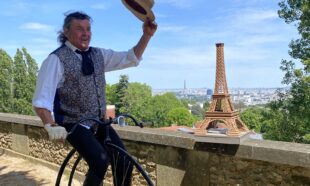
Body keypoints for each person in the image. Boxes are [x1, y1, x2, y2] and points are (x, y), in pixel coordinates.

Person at [32, 11, 157, 186]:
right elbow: (41, 100)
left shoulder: (99, 55)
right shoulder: (55, 60)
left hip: (99, 122)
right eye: (79, 29)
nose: (86, 33)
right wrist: (50, 125)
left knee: (124, 161)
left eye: (88, 29)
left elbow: (131, 58)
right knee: (99, 161)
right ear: (66, 32)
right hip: (73, 123)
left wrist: (147, 35)